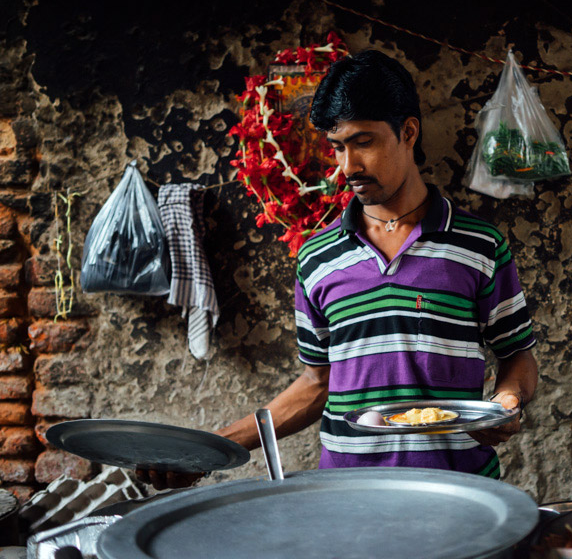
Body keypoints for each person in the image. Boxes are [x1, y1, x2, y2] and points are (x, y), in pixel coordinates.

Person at [142, 50, 538, 488]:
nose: (347, 166)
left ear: (408, 132)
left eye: (363, 142)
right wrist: (209, 448)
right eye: (337, 147)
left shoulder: (479, 246)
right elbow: (317, 383)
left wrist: (506, 400)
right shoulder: (317, 257)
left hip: (461, 488)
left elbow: (517, 353)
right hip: (347, 495)